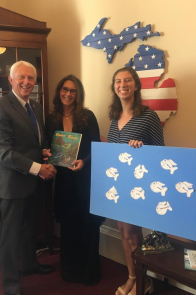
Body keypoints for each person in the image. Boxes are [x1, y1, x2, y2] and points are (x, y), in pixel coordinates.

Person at [0, 61, 57, 295]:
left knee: (29, 229)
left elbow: (33, 143)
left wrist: (44, 152)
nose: (26, 82)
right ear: (11, 79)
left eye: (30, 78)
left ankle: (29, 265)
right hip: (12, 185)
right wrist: (38, 168)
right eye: (21, 78)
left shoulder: (35, 106)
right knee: (10, 237)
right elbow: (4, 152)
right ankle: (11, 284)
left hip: (31, 183)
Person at [107, 67, 165, 295]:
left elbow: (160, 152)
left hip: (138, 185)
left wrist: (142, 148)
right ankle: (132, 278)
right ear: (114, 87)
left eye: (127, 80)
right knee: (122, 231)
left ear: (136, 85)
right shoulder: (114, 117)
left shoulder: (148, 116)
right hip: (119, 184)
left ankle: (144, 282)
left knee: (133, 232)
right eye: (118, 81)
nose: (122, 84)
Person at [45, 74, 104, 286]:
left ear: (78, 94)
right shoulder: (51, 119)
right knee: (69, 224)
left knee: (87, 223)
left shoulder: (88, 116)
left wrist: (84, 162)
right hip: (63, 179)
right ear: (59, 91)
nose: (68, 94)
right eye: (65, 89)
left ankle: (89, 271)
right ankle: (69, 270)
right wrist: (46, 153)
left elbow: (96, 147)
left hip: (84, 177)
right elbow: (47, 146)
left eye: (72, 91)